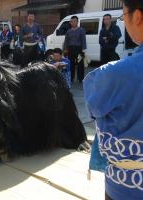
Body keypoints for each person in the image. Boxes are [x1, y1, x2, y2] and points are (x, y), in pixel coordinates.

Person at [83, 1, 143, 199]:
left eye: (123, 15)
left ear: (137, 17)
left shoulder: (114, 74)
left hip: (128, 188)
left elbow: (94, 105)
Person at [63, 16, 86, 83]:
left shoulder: (81, 30)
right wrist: (65, 49)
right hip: (70, 49)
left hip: (79, 49)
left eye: (74, 21)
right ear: (70, 22)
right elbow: (66, 41)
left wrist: (83, 50)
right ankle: (71, 78)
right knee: (71, 64)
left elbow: (83, 40)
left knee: (80, 64)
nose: (73, 22)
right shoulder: (68, 31)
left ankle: (81, 79)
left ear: (77, 22)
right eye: (71, 21)